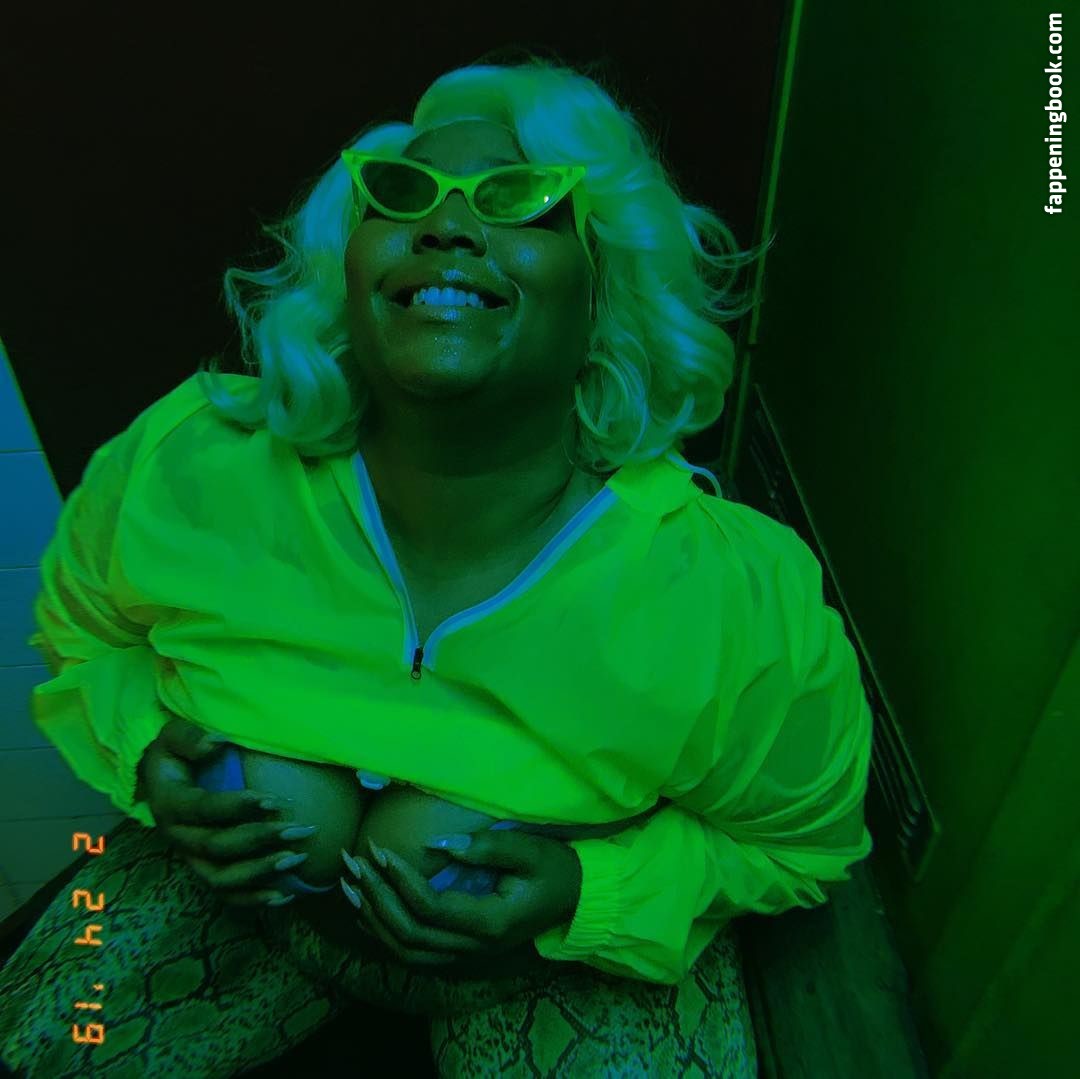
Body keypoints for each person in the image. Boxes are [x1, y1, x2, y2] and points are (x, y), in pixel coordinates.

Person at [0, 51, 874, 1077]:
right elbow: (85, 631)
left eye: (520, 198)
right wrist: (147, 749)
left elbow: (802, 844)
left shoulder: (724, 596)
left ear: (604, 293)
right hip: (243, 919)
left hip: (559, 970)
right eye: (402, 192)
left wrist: (585, 889)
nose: (447, 225)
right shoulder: (192, 466)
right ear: (349, 271)